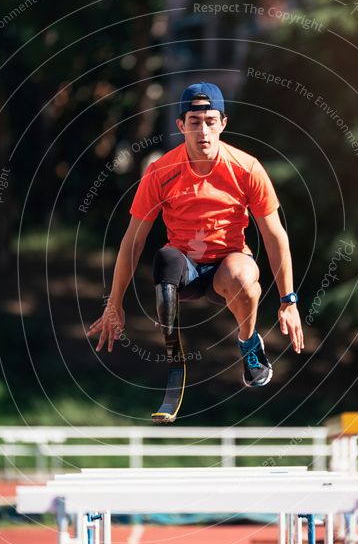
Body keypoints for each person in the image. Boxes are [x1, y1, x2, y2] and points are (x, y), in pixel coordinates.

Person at [87, 82, 303, 389]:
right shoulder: (160, 172)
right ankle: (174, 349)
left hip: (226, 269)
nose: (203, 131)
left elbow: (274, 235)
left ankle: (249, 345)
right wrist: (115, 302)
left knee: (244, 279)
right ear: (181, 125)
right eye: (195, 122)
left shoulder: (247, 169)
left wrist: (288, 300)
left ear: (223, 124)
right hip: (184, 272)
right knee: (164, 258)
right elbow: (133, 240)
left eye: (210, 122)